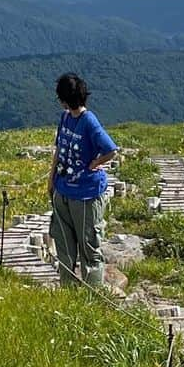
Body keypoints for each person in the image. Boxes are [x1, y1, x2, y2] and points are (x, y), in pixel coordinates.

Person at [47, 72, 117, 287]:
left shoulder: (89, 121)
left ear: (65, 99)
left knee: (89, 247)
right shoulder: (65, 117)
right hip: (63, 189)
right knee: (64, 245)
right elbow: (59, 148)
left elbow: (111, 150)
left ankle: (92, 294)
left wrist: (95, 164)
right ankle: (68, 290)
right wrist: (51, 179)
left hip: (86, 194)